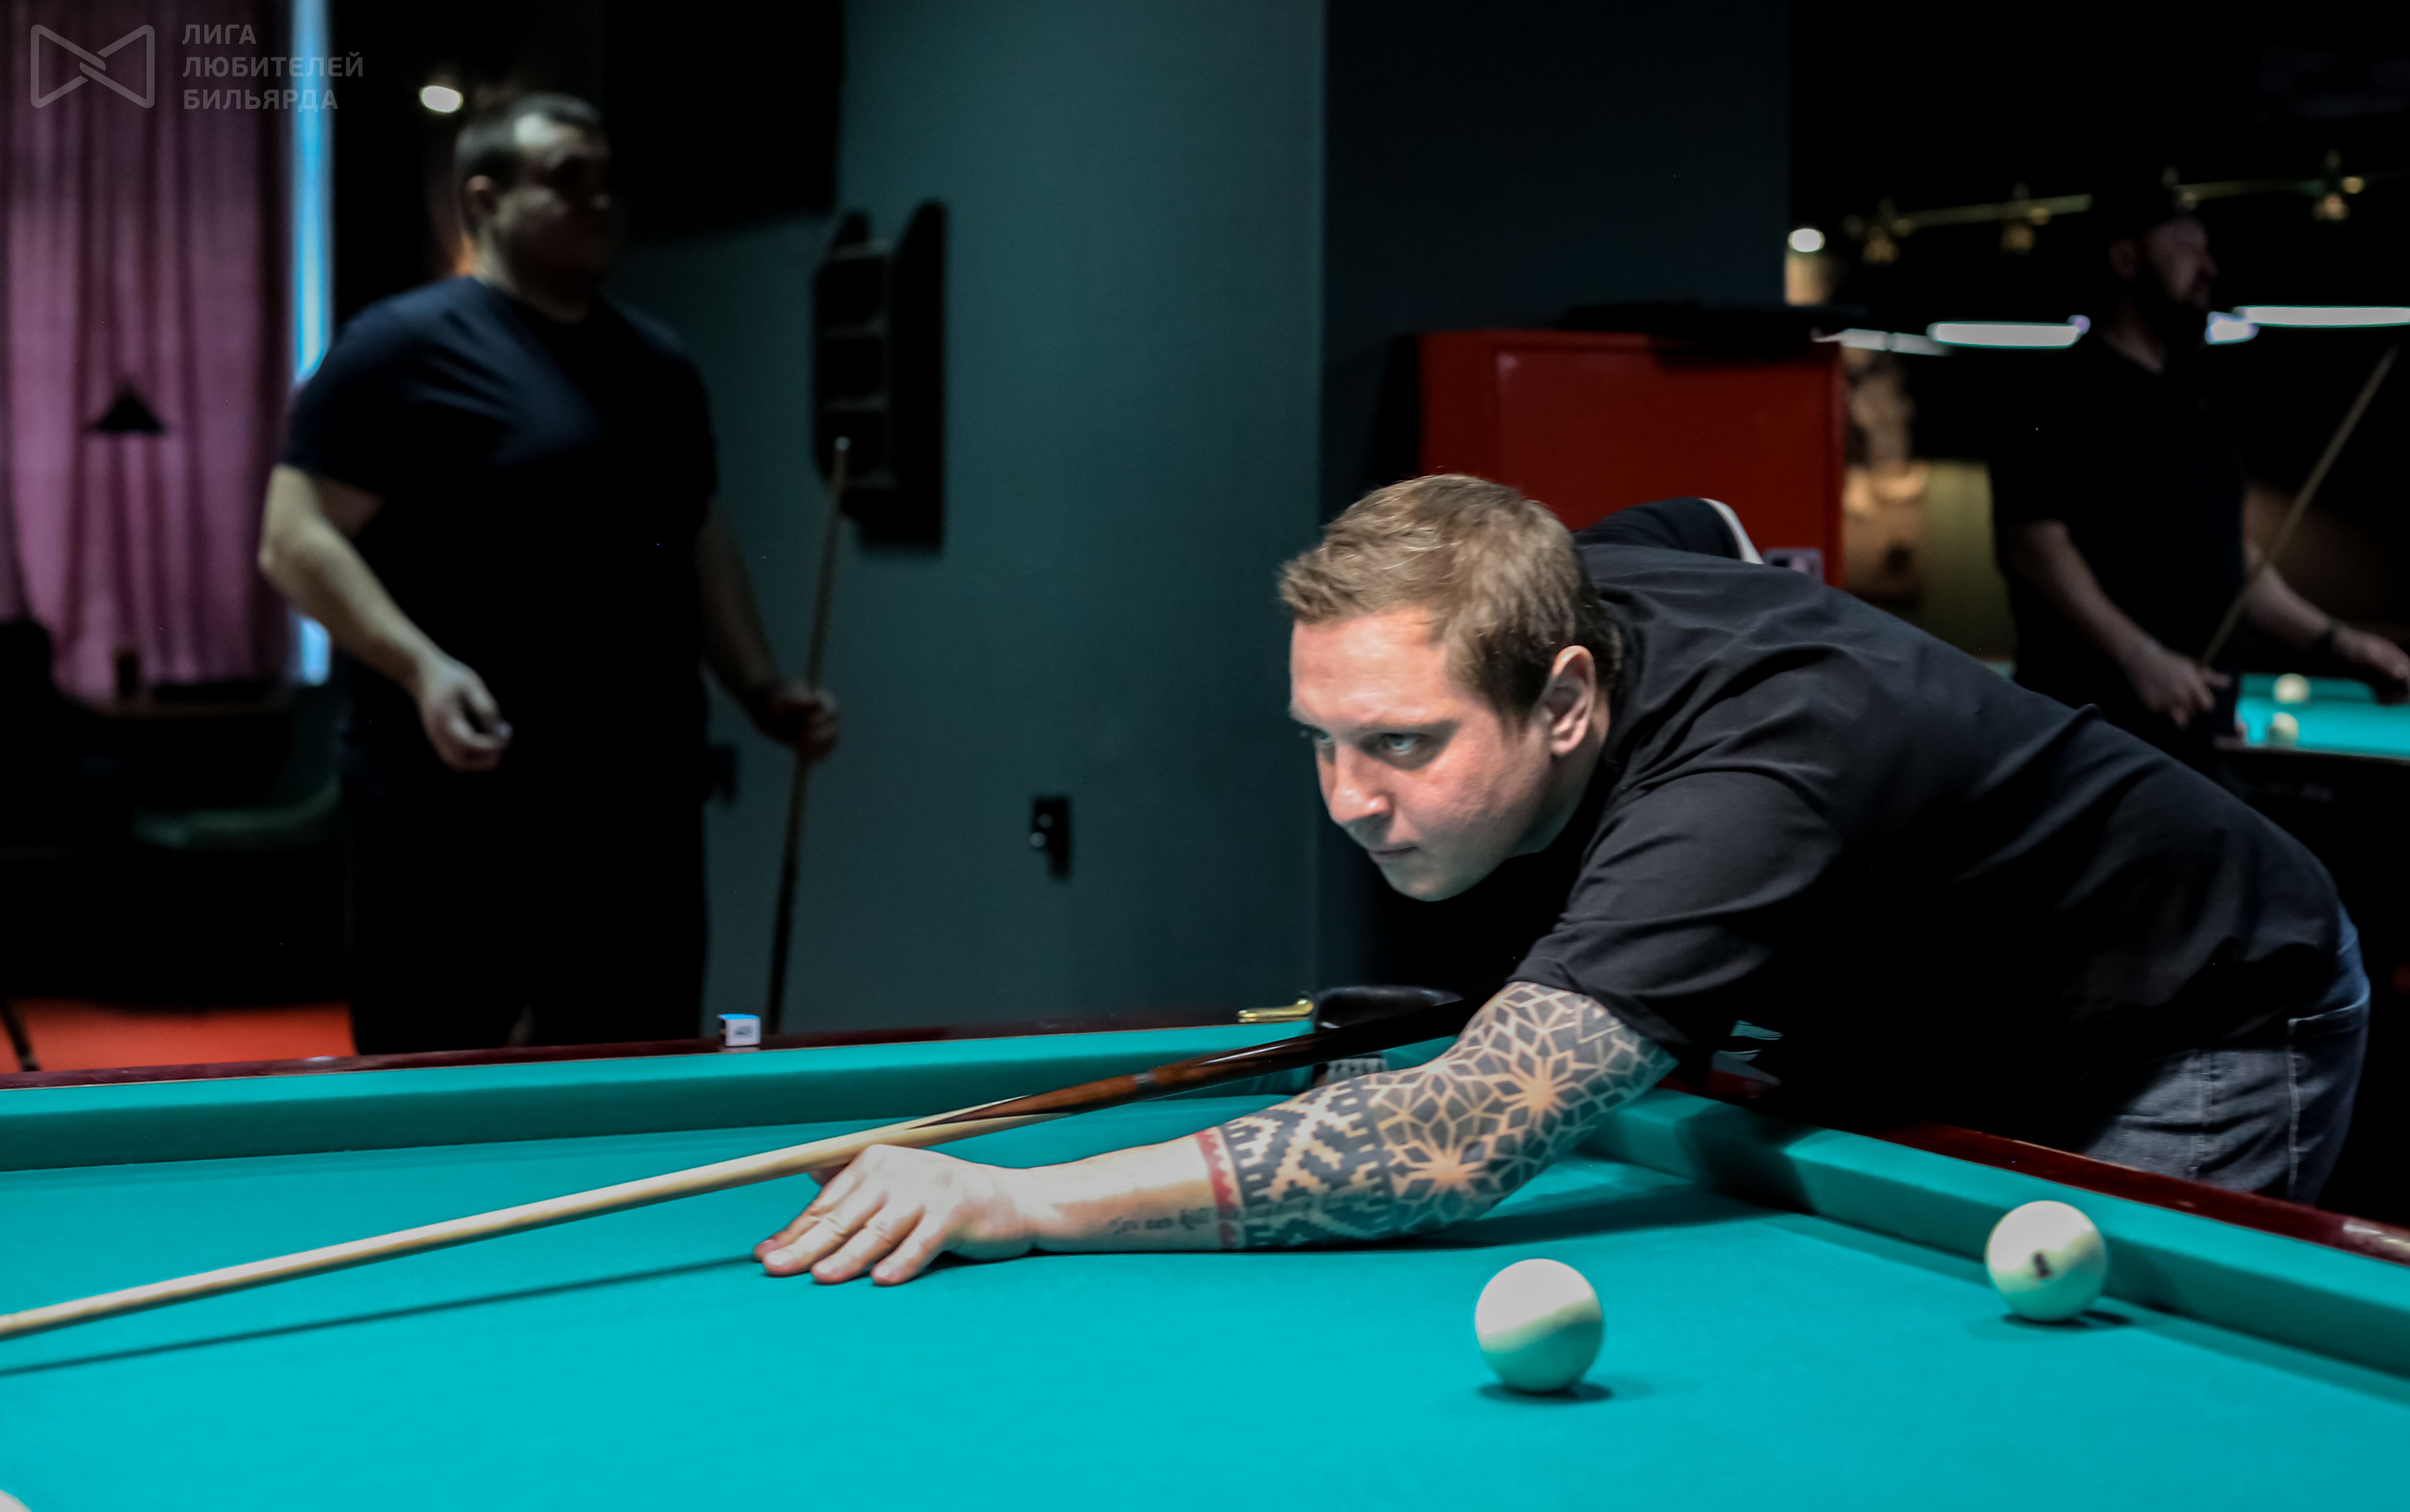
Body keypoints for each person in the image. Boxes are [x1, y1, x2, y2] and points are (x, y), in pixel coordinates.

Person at [749, 475, 2366, 1289]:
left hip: (2201, 1014)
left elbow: (1456, 1141)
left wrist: (1024, 1199)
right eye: (1320, 741)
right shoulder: (1547, 585)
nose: (1349, 800)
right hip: (1950, 1003)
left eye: (1401, 743)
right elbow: (1705, 524)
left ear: (1570, 697)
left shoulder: (1745, 787)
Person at [259, 94, 836, 1053]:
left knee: (632, 1081)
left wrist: (761, 686)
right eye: (569, 179)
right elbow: (294, 537)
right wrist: (422, 667)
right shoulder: (402, 349)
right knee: (434, 1088)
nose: (601, 199)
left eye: (607, 178)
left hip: (636, 803)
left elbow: (698, 535)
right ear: (485, 199)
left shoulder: (658, 363)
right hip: (451, 807)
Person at [1991, 179, 2410, 777]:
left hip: (2192, 739)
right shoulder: (2052, 395)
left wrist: (2337, 643)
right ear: (2125, 258)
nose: (2208, 268)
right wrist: (2140, 656)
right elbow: (2033, 547)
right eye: (2186, 247)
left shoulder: (2195, 410)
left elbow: (2230, 562)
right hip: (2091, 742)